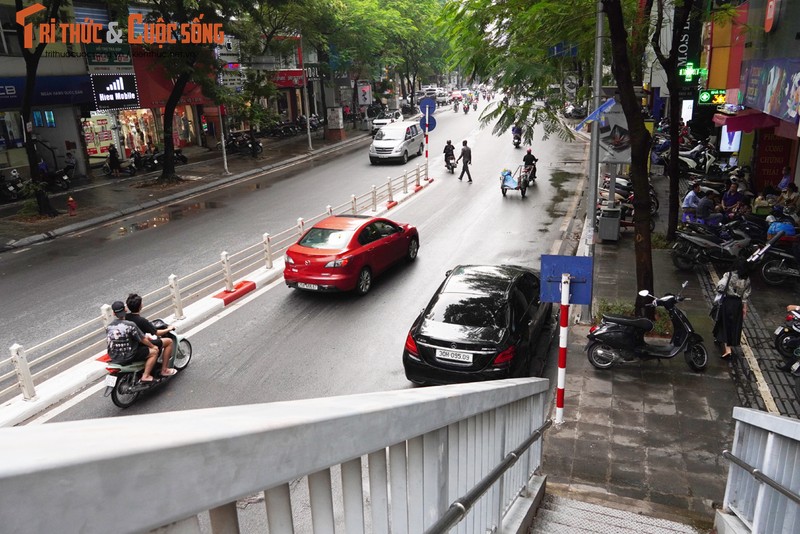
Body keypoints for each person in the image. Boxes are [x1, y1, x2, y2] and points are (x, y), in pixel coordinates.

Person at [106, 301, 161, 383]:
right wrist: (153, 346)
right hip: (129, 355)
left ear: (114, 313)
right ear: (125, 309)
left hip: (113, 356)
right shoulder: (130, 325)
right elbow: (143, 339)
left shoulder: (109, 327)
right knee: (154, 352)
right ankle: (145, 376)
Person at [124, 293, 177, 378]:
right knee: (169, 342)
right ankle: (164, 370)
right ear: (140, 305)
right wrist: (168, 329)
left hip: (130, 344)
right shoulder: (141, 321)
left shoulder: (125, 318)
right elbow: (157, 333)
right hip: (140, 346)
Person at [712, 258, 751, 359]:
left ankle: (727, 349)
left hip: (727, 302)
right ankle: (719, 338)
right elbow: (745, 296)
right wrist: (744, 308)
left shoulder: (728, 275)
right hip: (737, 305)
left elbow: (720, 286)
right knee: (732, 325)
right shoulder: (747, 279)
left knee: (725, 324)